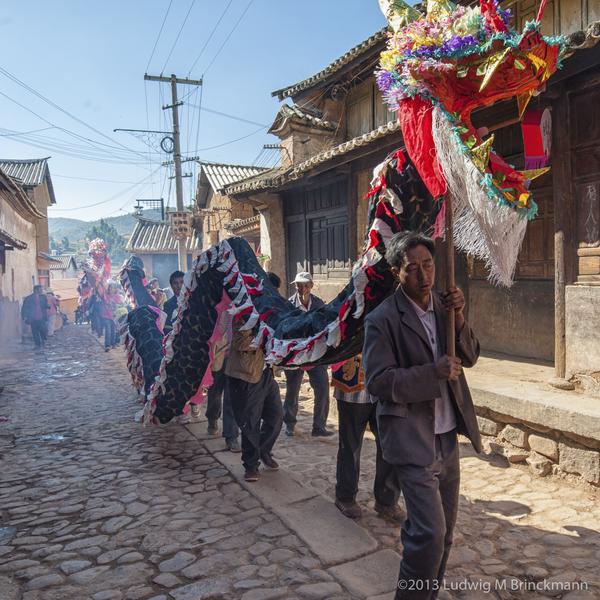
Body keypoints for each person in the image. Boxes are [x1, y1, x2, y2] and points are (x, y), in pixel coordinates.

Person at [363, 231, 481, 600]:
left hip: (446, 437)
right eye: (412, 268)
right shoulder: (383, 319)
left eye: (428, 265)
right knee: (427, 534)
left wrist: (459, 317)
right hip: (411, 439)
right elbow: (380, 382)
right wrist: (433, 372)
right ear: (397, 272)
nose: (423, 276)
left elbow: (472, 355)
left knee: (444, 535)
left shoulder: (445, 308)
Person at [333, 354, 402, 523]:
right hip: (352, 385)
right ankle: (345, 496)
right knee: (350, 445)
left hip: (384, 388)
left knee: (389, 444)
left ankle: (387, 500)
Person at [225, 300, 283, 482]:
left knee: (276, 416)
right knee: (251, 423)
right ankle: (250, 466)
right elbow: (239, 343)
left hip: (266, 373)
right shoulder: (241, 313)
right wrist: (264, 334)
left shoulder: (269, 313)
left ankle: (263, 451)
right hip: (246, 375)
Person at [284, 271, 333, 437]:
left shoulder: (319, 304)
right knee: (292, 389)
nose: (302, 288)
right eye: (299, 285)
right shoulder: (289, 305)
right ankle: (289, 423)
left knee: (322, 388)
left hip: (314, 355)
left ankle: (319, 426)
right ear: (295, 286)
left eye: (305, 285)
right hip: (296, 355)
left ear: (311, 286)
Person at [205, 307, 241, 452]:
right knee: (215, 392)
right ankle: (212, 417)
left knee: (231, 397)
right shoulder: (219, 306)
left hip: (235, 356)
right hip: (218, 356)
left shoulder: (242, 307)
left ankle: (231, 436)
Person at [21, 285, 49, 350]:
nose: (42, 291)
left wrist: (47, 306)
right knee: (35, 332)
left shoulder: (43, 297)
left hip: (41, 317)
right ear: (36, 290)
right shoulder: (29, 298)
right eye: (40, 289)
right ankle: (37, 344)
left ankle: (43, 342)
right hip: (33, 318)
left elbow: (45, 305)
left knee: (43, 330)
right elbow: (24, 308)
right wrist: (24, 316)